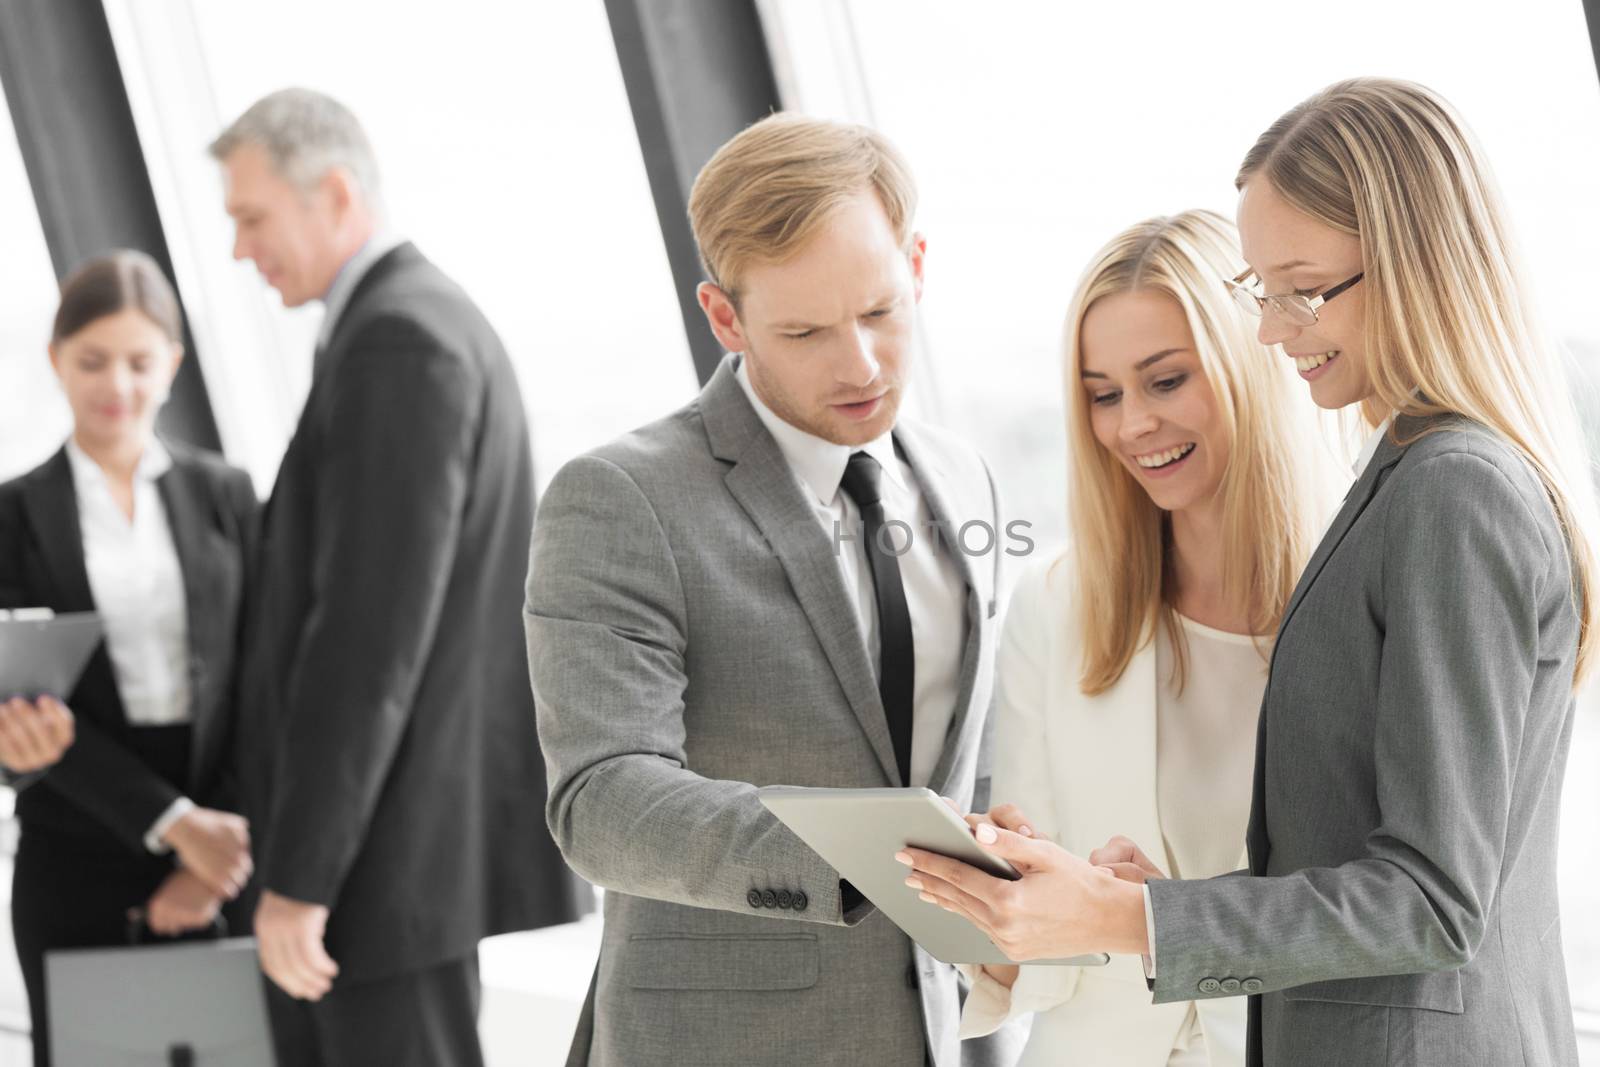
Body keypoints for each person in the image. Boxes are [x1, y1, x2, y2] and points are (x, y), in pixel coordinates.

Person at [899, 77, 1597, 1067]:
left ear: (1415, 264)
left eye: (1302, 290)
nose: (1273, 329)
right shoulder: (1409, 476)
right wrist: (1146, 905)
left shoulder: (1453, 490)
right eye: (1259, 291)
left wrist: (1135, 914)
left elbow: (1432, 900)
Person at [526, 113, 1020, 1066]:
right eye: (804, 330)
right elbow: (601, 797)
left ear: (916, 263)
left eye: (880, 311)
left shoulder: (967, 480)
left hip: (945, 1036)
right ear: (725, 317)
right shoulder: (622, 498)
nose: (861, 365)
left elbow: (970, 763)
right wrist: (874, 854)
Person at [212, 88, 588, 1067]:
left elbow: (367, 639)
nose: (241, 250)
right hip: (393, 862)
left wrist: (300, 877)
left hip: (378, 868)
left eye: (251, 218)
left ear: (334, 193)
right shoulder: (411, 324)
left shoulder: (399, 341)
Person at [951, 211, 1340, 1065]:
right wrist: (995, 902)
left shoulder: (1357, 595)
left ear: (1251, 363)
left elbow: (1389, 905)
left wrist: (1162, 916)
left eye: (1165, 381)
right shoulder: (1056, 606)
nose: (1132, 426)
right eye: (1103, 394)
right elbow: (1043, 954)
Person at [0, 250, 257, 1067]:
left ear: (173, 365)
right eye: (92, 361)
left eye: (140, 362)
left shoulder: (227, 495)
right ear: (56, 362)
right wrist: (169, 823)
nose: (118, 384)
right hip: (76, 845)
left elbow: (266, 684)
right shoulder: (10, 514)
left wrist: (211, 853)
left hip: (226, 846)